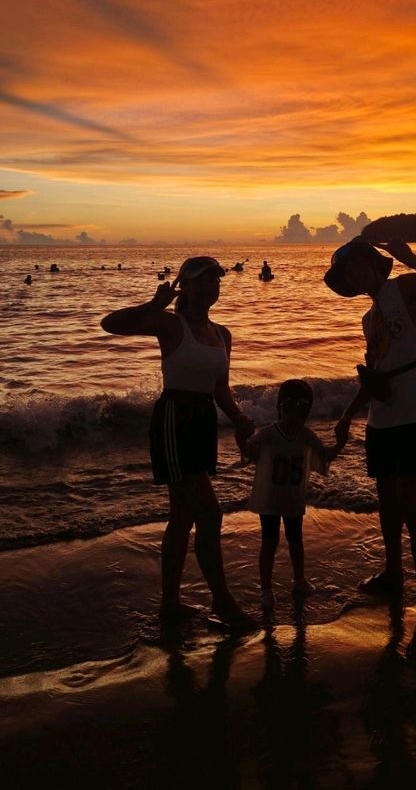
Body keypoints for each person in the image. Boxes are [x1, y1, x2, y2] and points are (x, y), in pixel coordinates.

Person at [324, 238, 416, 657]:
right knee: (387, 503)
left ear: (372, 262)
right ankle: (392, 573)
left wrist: (410, 258)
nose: (353, 276)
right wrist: (348, 414)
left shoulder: (404, 287)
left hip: (413, 413)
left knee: (412, 506)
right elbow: (375, 372)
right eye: (346, 273)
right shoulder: (368, 318)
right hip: (380, 419)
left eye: (356, 266)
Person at [100, 255, 255, 627]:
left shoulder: (222, 334)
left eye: (214, 280)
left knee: (183, 517)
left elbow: (220, 387)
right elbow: (110, 323)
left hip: (202, 421)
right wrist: (154, 304)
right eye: (200, 281)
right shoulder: (170, 324)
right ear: (183, 286)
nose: (209, 287)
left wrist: (237, 418)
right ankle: (222, 602)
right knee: (210, 514)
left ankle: (169, 604)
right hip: (173, 420)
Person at [240, 379, 347, 612]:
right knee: (269, 542)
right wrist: (241, 437)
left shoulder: (306, 436)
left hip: (293, 499)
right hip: (269, 499)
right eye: (290, 409)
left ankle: (299, 580)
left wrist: (340, 444)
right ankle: (266, 590)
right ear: (280, 408)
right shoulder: (268, 434)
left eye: (302, 411)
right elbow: (250, 452)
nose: (295, 418)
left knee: (296, 541)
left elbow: (324, 456)